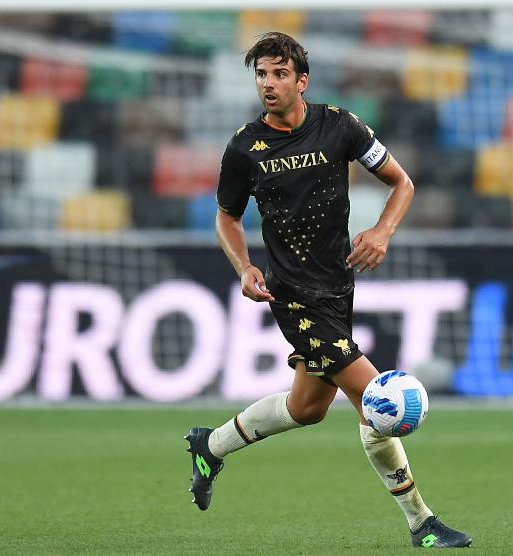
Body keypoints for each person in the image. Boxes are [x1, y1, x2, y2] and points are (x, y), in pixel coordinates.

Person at [185, 32, 472, 549]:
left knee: (308, 408)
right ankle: (421, 522)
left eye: (278, 74)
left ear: (301, 80)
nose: (268, 84)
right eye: (260, 75)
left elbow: (402, 182)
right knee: (379, 402)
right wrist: (243, 266)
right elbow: (226, 218)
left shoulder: (339, 126)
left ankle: (212, 446)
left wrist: (382, 231)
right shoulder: (244, 147)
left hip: (338, 287)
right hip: (293, 295)